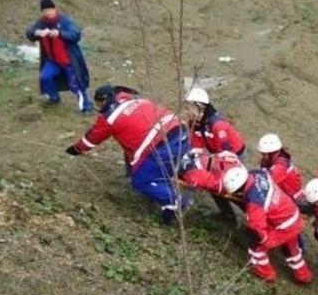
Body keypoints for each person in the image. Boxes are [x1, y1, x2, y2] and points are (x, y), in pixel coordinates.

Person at [66, 85, 189, 224]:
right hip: (181, 131)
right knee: (141, 160)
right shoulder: (136, 99)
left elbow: (90, 140)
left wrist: (76, 149)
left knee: (141, 181)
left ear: (104, 101)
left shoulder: (109, 118)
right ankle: (160, 187)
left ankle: (174, 202)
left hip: (163, 144)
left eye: (99, 103)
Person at [222, 167, 312, 284]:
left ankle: (266, 274)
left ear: (239, 190)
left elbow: (257, 228)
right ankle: (304, 276)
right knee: (291, 249)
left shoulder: (254, 202)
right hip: (291, 213)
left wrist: (265, 239)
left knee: (256, 247)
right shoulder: (257, 174)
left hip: (283, 225)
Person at [25, 0, 93, 113]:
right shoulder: (42, 22)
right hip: (53, 60)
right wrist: (37, 33)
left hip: (68, 60)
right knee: (45, 77)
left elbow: (75, 35)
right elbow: (30, 32)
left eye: (50, 10)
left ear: (54, 9)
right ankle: (54, 98)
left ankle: (86, 106)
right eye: (45, 11)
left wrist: (60, 33)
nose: (48, 13)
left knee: (75, 84)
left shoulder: (65, 21)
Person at [177, 148, 244, 219]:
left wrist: (189, 168)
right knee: (218, 193)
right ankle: (228, 214)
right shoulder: (219, 158)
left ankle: (230, 215)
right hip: (234, 176)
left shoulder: (198, 175)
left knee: (242, 201)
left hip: (234, 184)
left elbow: (214, 184)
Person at [185, 87, 246, 158]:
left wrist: (211, 156)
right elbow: (195, 142)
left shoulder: (217, 125)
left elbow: (225, 151)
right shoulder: (194, 123)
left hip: (234, 152)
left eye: (189, 108)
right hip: (214, 151)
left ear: (201, 107)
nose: (187, 112)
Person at [257, 133, 304, 202]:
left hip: (293, 200)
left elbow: (267, 183)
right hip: (284, 194)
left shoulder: (280, 166)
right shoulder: (273, 161)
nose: (263, 156)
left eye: (264, 154)